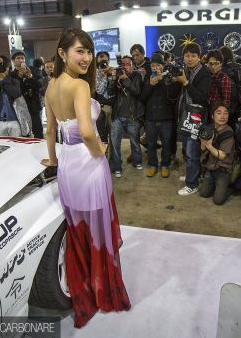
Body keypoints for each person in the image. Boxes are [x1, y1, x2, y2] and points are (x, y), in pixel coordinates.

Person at [41, 28, 131, 328]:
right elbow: (88, 130)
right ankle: (103, 288)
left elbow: (51, 130)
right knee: (98, 230)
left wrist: (53, 159)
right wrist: (100, 151)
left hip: (67, 165)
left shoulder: (50, 87)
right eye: (80, 50)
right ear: (62, 52)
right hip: (88, 163)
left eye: (88, 51)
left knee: (79, 230)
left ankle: (85, 287)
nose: (86, 57)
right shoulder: (79, 86)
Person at [175, 42, 211, 196]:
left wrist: (185, 83)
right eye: (187, 55)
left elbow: (202, 98)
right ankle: (192, 175)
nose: (190, 59)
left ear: (199, 57)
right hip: (185, 115)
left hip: (196, 118)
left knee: (192, 151)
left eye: (193, 56)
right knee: (186, 149)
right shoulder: (185, 70)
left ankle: (192, 184)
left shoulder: (204, 72)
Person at [141, 52, 181, 178]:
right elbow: (142, 97)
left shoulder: (169, 77)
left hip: (167, 117)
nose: (155, 68)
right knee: (151, 144)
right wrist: (151, 85)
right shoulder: (146, 77)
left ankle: (165, 165)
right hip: (150, 117)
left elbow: (173, 96)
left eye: (158, 65)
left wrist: (162, 80)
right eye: (153, 65)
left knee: (166, 144)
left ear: (163, 65)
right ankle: (153, 165)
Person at [109, 55, 144, 177]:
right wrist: (114, 79)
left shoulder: (136, 76)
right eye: (123, 64)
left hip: (132, 116)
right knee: (115, 143)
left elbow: (137, 91)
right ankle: (117, 167)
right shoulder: (117, 77)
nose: (125, 67)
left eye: (127, 64)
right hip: (117, 116)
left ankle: (137, 161)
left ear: (132, 65)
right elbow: (110, 92)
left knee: (135, 142)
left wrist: (125, 79)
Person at [198, 102, 235, 205]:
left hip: (223, 169)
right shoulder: (208, 129)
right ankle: (216, 186)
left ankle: (228, 188)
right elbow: (203, 149)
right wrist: (203, 143)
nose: (223, 116)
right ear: (212, 116)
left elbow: (222, 156)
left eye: (226, 113)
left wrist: (209, 145)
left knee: (218, 201)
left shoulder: (229, 133)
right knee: (203, 194)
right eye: (219, 113)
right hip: (210, 167)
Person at [11, 51, 43, 138]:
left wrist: (30, 76)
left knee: (38, 132)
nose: (21, 60)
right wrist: (19, 78)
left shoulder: (33, 70)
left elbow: (39, 85)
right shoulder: (12, 75)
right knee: (24, 134)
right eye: (18, 58)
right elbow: (14, 91)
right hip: (20, 108)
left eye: (22, 58)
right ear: (13, 61)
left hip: (33, 106)